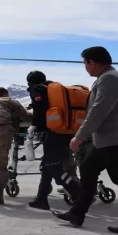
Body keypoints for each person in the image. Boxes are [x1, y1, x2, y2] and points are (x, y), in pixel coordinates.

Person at [52, 46, 118, 235]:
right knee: (88, 168)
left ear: (92, 62)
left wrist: (80, 135)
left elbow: (100, 109)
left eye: (85, 64)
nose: (85, 68)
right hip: (109, 138)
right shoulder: (110, 77)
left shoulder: (110, 78)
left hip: (117, 137)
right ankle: (77, 213)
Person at [25, 71, 81, 210]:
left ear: (29, 82)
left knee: (53, 166)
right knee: (47, 166)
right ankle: (41, 199)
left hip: (52, 133)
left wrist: (34, 125)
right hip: (66, 131)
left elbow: (39, 108)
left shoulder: (37, 88)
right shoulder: (52, 89)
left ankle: (79, 193)